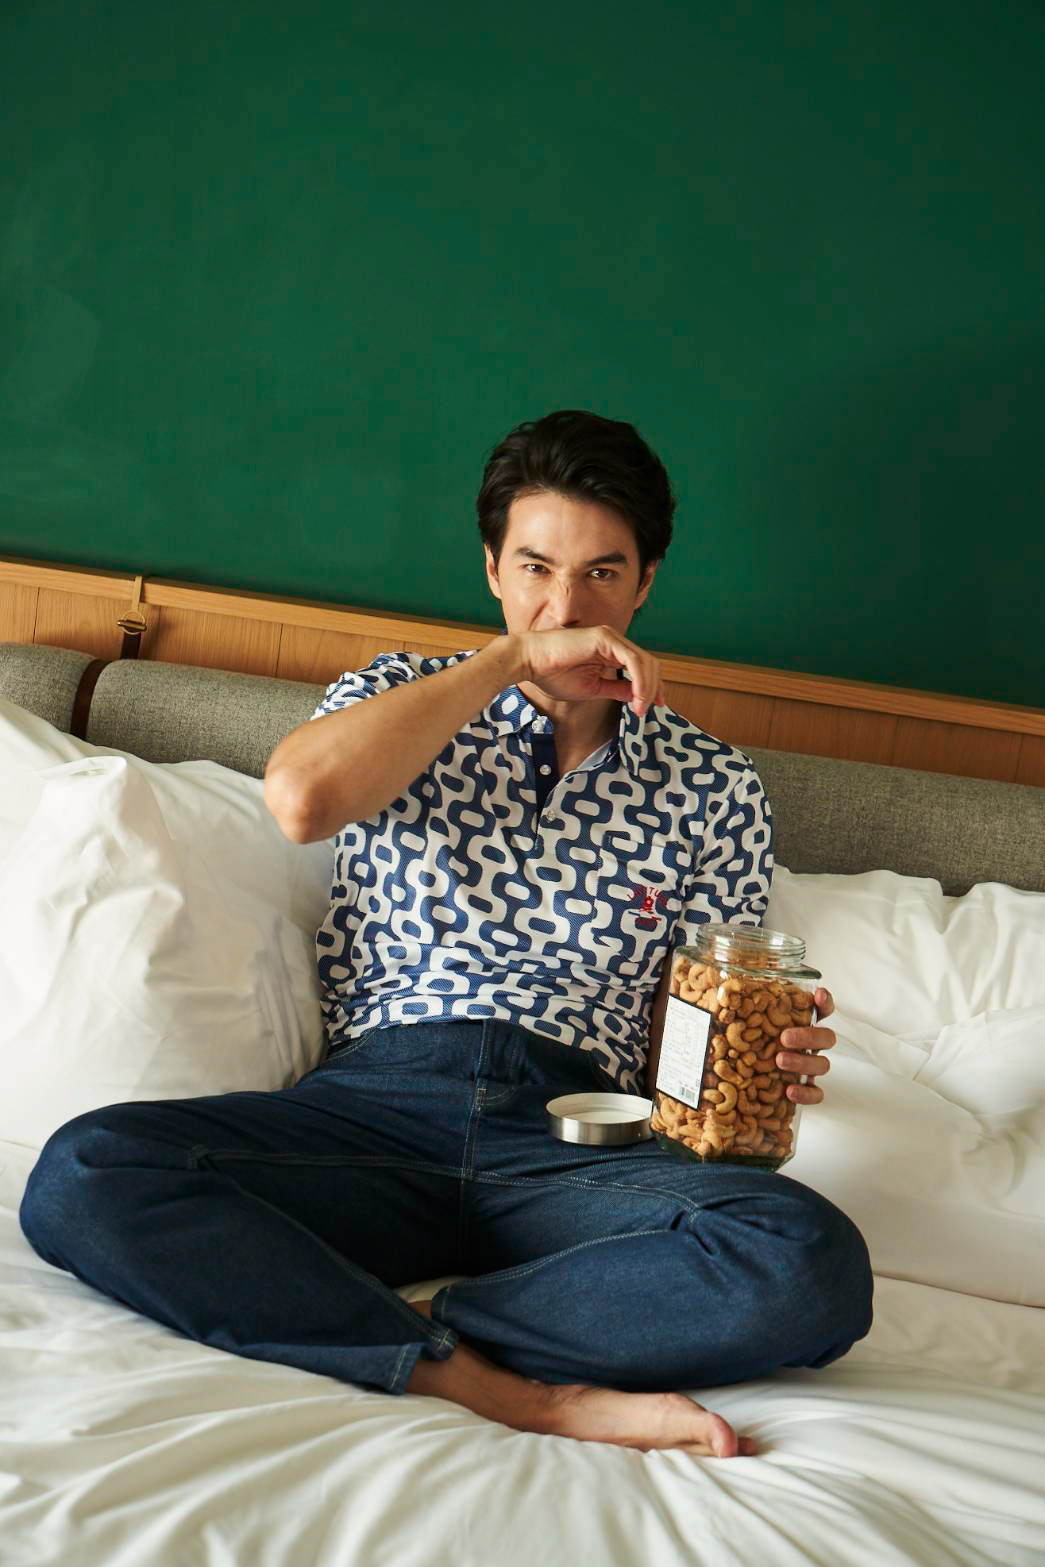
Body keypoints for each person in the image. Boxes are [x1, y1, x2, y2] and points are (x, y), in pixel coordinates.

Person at [20, 409, 872, 1462]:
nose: (566, 608)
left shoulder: (714, 785)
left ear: (644, 583)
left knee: (807, 1257)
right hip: (373, 1115)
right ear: (491, 570)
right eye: (535, 569)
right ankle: (503, 1389)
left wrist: (758, 1066)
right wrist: (509, 662)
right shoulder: (396, 697)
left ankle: (413, 1320)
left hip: (576, 1141)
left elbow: (692, 1039)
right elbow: (300, 801)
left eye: (601, 574)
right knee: (86, 1169)